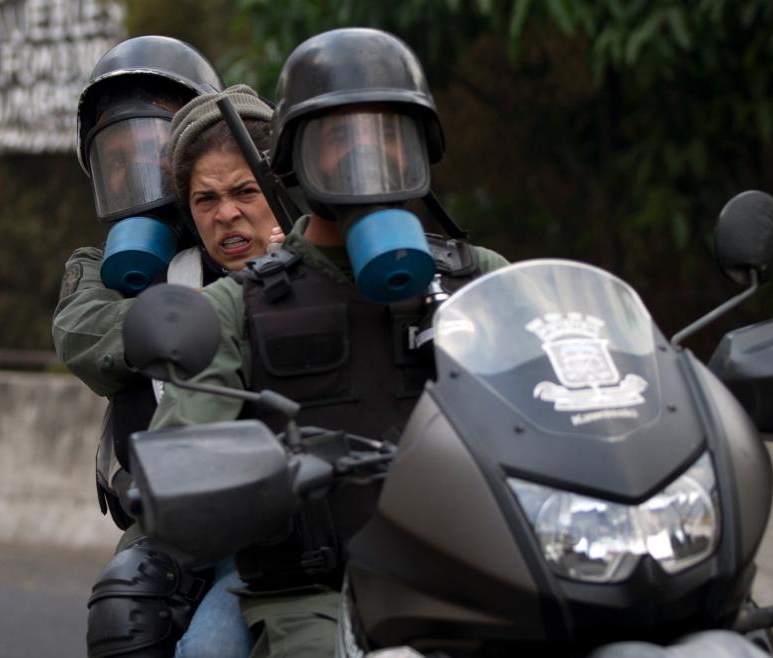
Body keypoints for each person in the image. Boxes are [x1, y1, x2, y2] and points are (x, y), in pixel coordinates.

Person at [145, 28, 509, 658]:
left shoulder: (480, 276)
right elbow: (184, 450)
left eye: (387, 138)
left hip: (472, 565)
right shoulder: (238, 303)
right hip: (309, 589)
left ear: (420, 152)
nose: (365, 161)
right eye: (337, 143)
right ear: (296, 159)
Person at [52, 36, 280, 658]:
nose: (136, 169)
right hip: (167, 516)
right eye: (117, 155)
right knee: (131, 619)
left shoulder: (273, 233)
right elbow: (83, 336)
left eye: (151, 145)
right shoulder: (103, 268)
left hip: (286, 499)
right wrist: (201, 308)